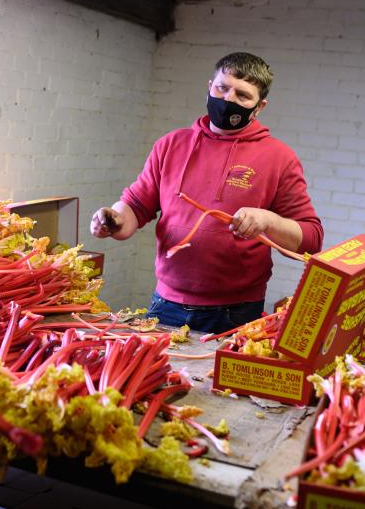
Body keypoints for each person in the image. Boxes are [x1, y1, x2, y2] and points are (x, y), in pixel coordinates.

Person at [91, 52, 323, 334]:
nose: (228, 100)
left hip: (236, 312)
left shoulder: (279, 158)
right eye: (222, 88)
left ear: (259, 107)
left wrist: (267, 221)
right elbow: (136, 206)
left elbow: (311, 240)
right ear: (209, 86)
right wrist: (113, 218)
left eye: (242, 95)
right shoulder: (170, 145)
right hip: (165, 303)